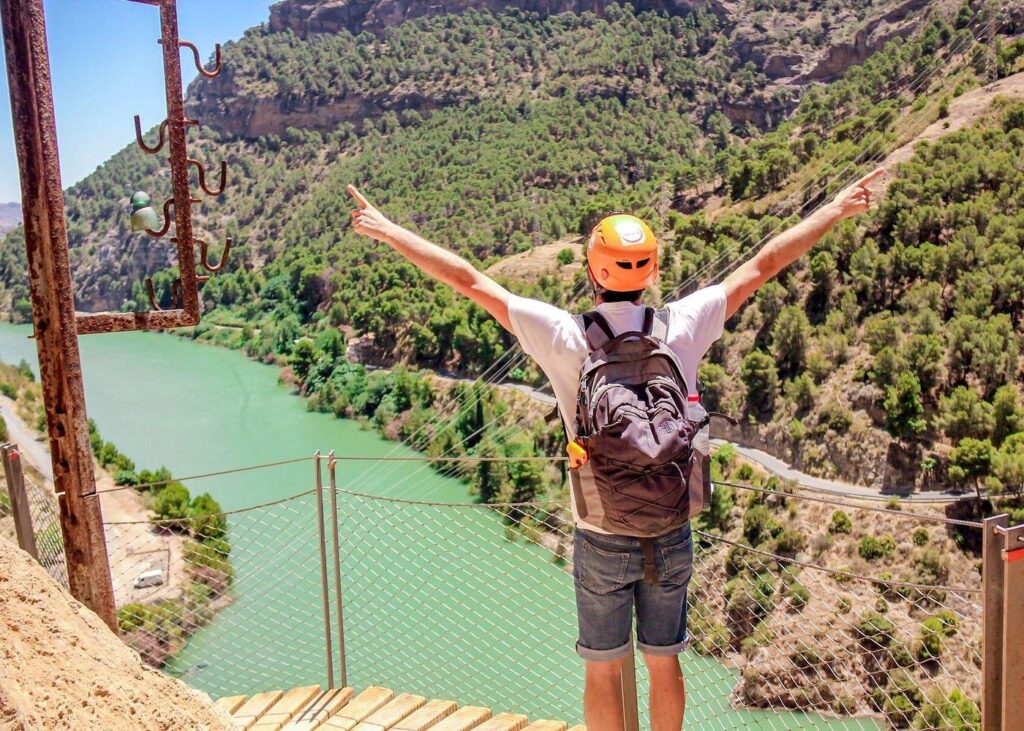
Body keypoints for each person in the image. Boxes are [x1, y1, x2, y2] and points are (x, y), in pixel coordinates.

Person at [347, 168, 884, 731]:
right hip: (672, 528)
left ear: (592, 272)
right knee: (664, 660)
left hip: (600, 533)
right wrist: (837, 208)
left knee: (604, 669)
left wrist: (389, 231)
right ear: (651, 272)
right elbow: (765, 265)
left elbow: (472, 282)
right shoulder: (681, 325)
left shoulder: (562, 334)